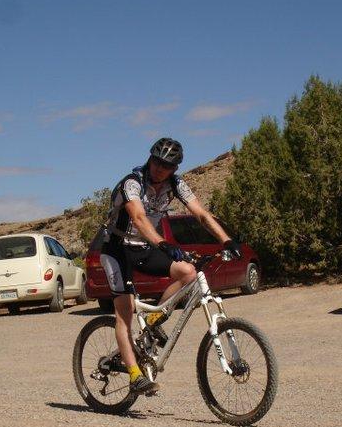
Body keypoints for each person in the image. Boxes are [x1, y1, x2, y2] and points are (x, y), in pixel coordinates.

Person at [100, 137, 241, 395]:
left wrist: (226, 239)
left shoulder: (176, 185)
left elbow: (200, 214)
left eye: (165, 165)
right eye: (156, 161)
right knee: (125, 311)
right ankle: (134, 376)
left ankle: (153, 322)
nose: (158, 168)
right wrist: (163, 244)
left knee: (188, 272)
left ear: (174, 169)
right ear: (150, 158)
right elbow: (140, 219)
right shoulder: (133, 183)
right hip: (116, 248)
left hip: (143, 247)